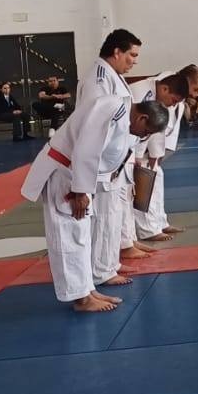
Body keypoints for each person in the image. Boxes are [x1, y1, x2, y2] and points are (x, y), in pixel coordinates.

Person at [20, 94, 168, 313]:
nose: (143, 136)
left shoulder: (121, 113)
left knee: (82, 236)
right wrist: (80, 191)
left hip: (78, 176)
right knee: (69, 235)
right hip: (66, 174)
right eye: (146, 131)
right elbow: (86, 149)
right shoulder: (113, 108)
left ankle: (87, 289)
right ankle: (80, 298)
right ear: (142, 118)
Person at [82, 30, 144, 283]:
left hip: (116, 160)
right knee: (103, 217)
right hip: (101, 162)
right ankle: (101, 270)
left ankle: (109, 263)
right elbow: (94, 125)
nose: (134, 61)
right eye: (132, 55)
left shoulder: (113, 75)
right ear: (117, 52)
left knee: (113, 215)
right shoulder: (99, 79)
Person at [133, 69, 197, 242]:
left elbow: (158, 127)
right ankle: (147, 230)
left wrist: (157, 154)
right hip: (132, 147)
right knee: (144, 177)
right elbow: (137, 124)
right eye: (173, 101)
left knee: (157, 173)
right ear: (165, 89)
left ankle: (160, 222)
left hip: (146, 145)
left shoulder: (163, 93)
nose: (172, 105)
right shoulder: (142, 93)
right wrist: (137, 155)